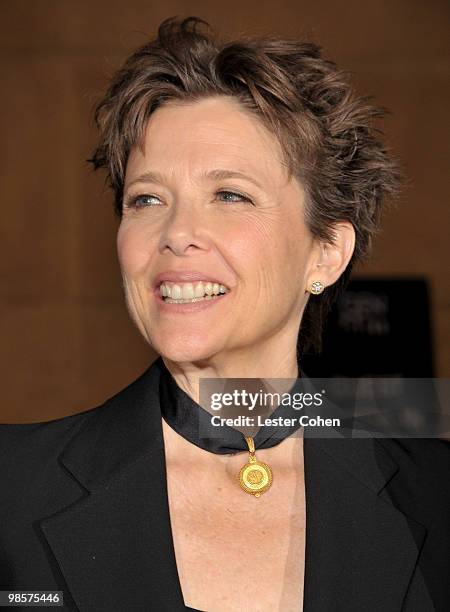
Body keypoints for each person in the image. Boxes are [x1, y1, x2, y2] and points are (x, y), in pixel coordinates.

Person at [1, 16, 449, 612]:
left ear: (327, 251)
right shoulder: (11, 488)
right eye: (147, 199)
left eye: (230, 195)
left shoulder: (436, 493)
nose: (177, 232)